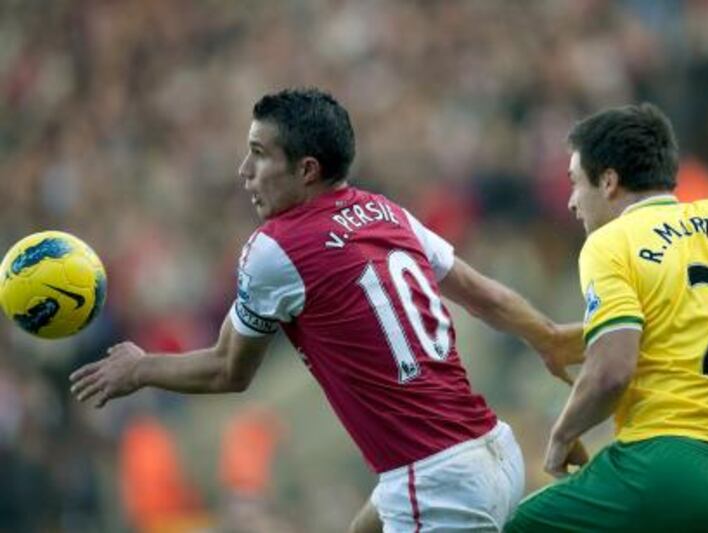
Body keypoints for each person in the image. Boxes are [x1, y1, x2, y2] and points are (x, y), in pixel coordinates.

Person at [69, 88, 584, 532]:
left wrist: (140, 368)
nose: (243, 171)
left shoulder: (276, 246)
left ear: (306, 169)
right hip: (494, 448)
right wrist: (547, 336)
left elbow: (230, 369)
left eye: (258, 155)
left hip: (436, 482)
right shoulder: (388, 212)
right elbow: (484, 295)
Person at [505, 103, 708, 532]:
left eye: (575, 183)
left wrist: (563, 435)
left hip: (659, 467)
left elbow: (612, 371)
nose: (571, 203)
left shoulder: (611, 243)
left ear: (608, 181)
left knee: (515, 525)